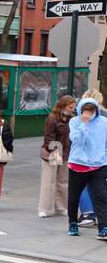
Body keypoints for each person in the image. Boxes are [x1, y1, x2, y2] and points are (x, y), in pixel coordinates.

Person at [66, 95, 107, 238]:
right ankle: (72, 223)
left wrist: (104, 158)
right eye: (85, 110)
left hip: (99, 165)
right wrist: (84, 124)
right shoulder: (74, 122)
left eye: (91, 110)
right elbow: (77, 141)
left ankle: (103, 227)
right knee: (73, 197)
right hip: (78, 164)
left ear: (96, 109)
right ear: (80, 110)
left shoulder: (104, 122)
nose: (88, 113)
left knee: (101, 196)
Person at [38, 95, 75, 218]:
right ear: (63, 106)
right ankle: (44, 208)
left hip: (65, 152)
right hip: (53, 151)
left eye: (73, 107)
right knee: (49, 181)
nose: (72, 109)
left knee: (63, 181)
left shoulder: (71, 119)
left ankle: (61, 207)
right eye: (70, 107)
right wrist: (55, 152)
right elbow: (49, 137)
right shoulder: (52, 118)